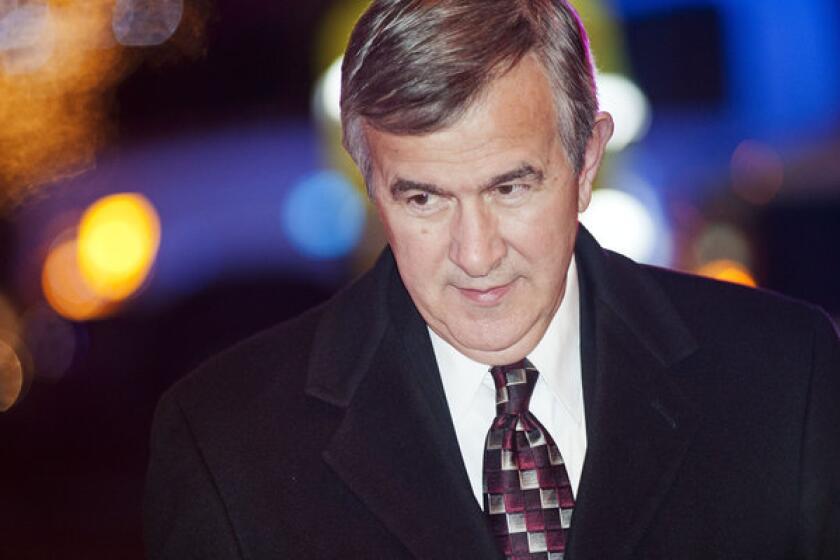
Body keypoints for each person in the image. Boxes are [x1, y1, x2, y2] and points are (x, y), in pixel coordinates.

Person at [143, 1, 840, 558]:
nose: (475, 256)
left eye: (511, 188)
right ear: (370, 184)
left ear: (588, 160)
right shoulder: (226, 446)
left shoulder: (787, 375)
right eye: (424, 198)